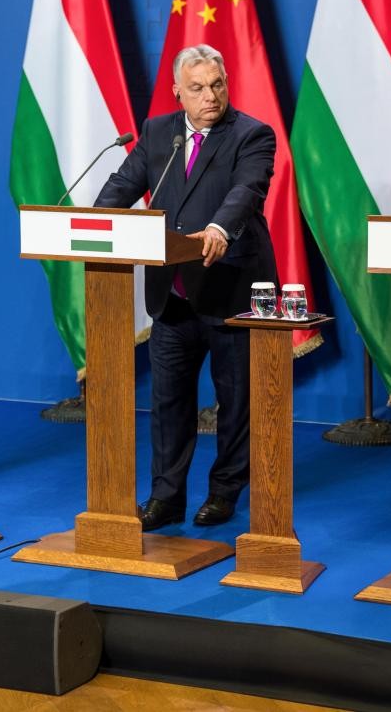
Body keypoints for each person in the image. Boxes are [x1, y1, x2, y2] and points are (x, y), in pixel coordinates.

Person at [94, 44, 276, 531]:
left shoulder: (253, 134)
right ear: (178, 91)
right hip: (172, 294)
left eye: (217, 85)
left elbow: (247, 191)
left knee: (235, 402)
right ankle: (166, 496)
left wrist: (219, 229)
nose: (210, 96)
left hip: (231, 287)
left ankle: (223, 492)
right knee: (169, 402)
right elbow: (123, 184)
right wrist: (91, 219)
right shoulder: (158, 133)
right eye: (197, 88)